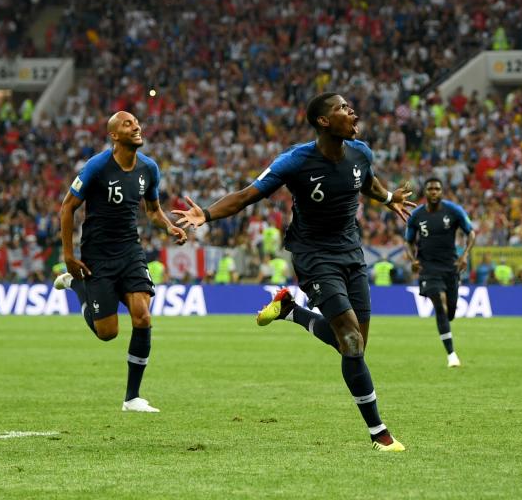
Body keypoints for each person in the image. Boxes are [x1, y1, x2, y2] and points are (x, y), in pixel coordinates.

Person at [173, 92, 415, 452]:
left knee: (354, 346)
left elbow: (367, 182)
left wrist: (388, 198)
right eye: (342, 108)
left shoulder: (360, 152)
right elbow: (247, 195)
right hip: (313, 255)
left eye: (350, 106)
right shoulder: (295, 161)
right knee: (350, 339)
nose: (352, 111)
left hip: (351, 253)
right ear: (323, 121)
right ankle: (379, 434)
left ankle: (291, 311)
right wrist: (205, 214)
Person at [56, 111, 187, 413]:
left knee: (143, 316)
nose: (137, 126)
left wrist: (169, 226)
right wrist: (68, 255)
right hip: (98, 255)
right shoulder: (97, 167)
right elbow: (67, 208)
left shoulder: (149, 168)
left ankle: (132, 398)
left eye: (137, 122)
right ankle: (78, 286)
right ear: (114, 135)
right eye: (128, 124)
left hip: (130, 251)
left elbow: (153, 210)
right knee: (108, 333)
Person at [404, 177, 475, 368]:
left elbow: (471, 233)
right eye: (430, 189)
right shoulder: (417, 215)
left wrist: (465, 256)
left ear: (441, 191)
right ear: (425, 192)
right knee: (440, 305)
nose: (434, 192)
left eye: (437, 189)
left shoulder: (453, 211)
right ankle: (451, 354)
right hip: (428, 269)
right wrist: (413, 260)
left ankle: (448, 325)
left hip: (450, 267)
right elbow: (408, 241)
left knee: (450, 311)